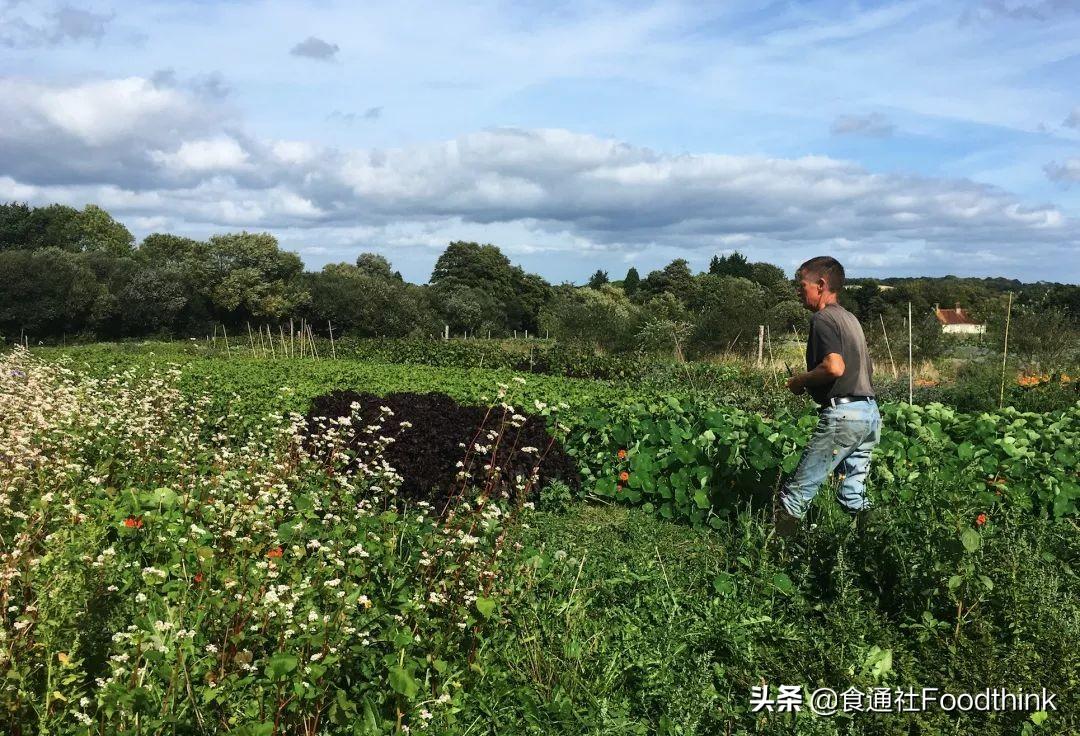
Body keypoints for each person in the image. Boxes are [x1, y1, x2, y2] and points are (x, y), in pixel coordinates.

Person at [774, 256, 880, 538]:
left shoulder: (823, 319)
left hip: (843, 415)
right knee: (853, 494)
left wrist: (800, 380)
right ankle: (875, 548)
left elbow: (834, 367)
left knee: (796, 493)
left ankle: (774, 559)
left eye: (802, 285)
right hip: (868, 414)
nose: (799, 291)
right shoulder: (850, 319)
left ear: (820, 285)